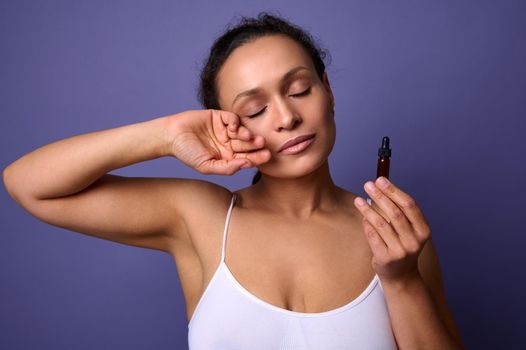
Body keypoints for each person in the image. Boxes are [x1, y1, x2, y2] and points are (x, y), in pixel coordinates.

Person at [2, 11, 464, 350]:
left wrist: (401, 282)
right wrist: (164, 135)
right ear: (227, 125)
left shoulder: (396, 235)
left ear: (328, 90)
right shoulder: (201, 218)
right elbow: (28, 183)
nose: (286, 117)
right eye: (255, 110)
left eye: (300, 89)